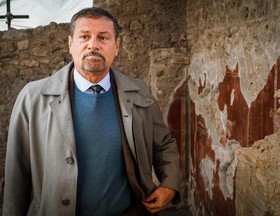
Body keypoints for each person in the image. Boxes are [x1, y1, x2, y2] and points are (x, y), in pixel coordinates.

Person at [3, 7, 180, 216]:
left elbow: (163, 144)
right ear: (70, 44)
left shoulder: (139, 92)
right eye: (84, 36)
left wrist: (169, 183)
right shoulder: (33, 97)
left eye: (103, 37)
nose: (93, 45)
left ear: (117, 46)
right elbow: (16, 172)